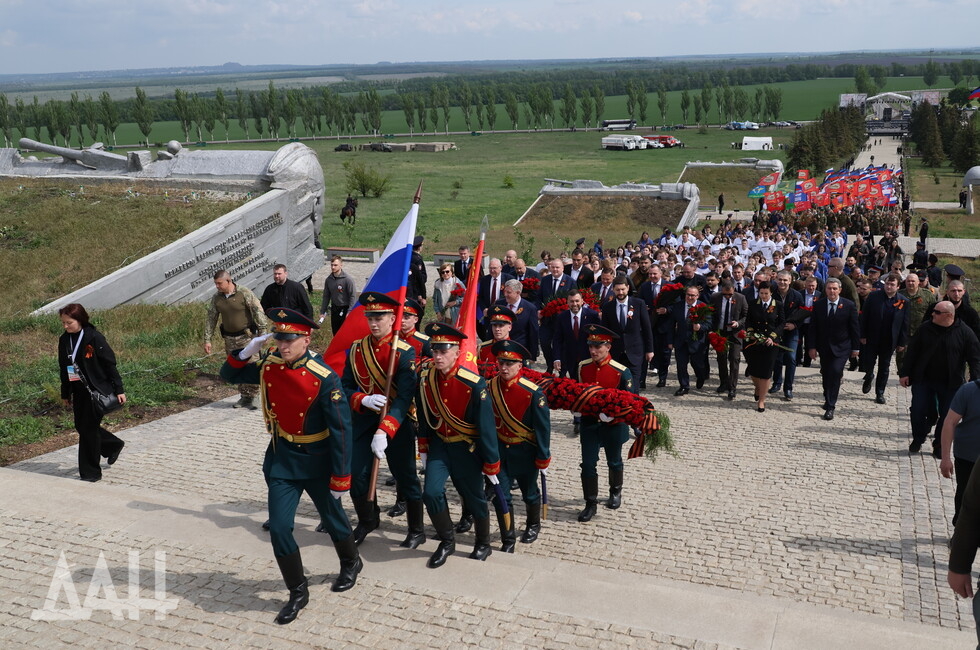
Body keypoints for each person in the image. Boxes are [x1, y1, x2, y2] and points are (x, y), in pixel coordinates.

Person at [220, 308, 361, 624]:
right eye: (279, 339)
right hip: (283, 458)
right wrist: (245, 352)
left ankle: (351, 561)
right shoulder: (270, 366)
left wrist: (341, 476)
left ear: (306, 340)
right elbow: (228, 375)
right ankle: (298, 590)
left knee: (333, 518)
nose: (283, 346)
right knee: (280, 528)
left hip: (318, 460)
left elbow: (341, 430)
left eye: (290, 340)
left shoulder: (324, 377)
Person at [416, 323, 500, 568]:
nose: (438, 357)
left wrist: (491, 463)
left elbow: (486, 428)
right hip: (440, 447)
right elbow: (424, 415)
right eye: (435, 351)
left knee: (474, 498)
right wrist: (423, 446)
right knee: (431, 493)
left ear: (457, 353)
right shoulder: (426, 379)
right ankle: (447, 540)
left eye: (444, 351)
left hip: (466, 448)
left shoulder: (474, 384)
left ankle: (483, 542)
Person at [340, 292, 421, 548]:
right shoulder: (357, 349)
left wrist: (384, 430)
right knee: (357, 475)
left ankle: (416, 529)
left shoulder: (404, 352)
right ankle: (368, 520)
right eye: (370, 318)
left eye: (379, 318)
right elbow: (345, 387)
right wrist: (362, 399)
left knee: (406, 476)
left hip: (396, 422)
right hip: (364, 420)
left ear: (392, 319)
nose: (374, 323)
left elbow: (405, 397)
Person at [487, 340, 551, 552]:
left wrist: (543, 456)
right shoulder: (490, 387)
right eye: (501, 363)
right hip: (500, 451)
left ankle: (533, 524)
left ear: (520, 366)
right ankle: (508, 538)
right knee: (501, 497)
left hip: (525, 452)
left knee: (529, 493)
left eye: (509, 364)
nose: (504, 368)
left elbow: (542, 429)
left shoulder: (533, 393)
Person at [901, 301, 980, 457]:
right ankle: (918, 437)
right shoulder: (925, 328)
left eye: (937, 312)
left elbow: (975, 358)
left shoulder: (965, 332)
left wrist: (975, 381)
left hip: (951, 383)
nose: (932, 314)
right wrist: (905, 373)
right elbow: (912, 352)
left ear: (949, 315)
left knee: (946, 416)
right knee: (917, 410)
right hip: (924, 379)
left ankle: (939, 444)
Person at [58, 303, 127, 483]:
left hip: (96, 389)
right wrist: (66, 393)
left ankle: (91, 472)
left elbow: (109, 364)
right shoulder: (64, 340)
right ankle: (113, 445)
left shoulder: (93, 337)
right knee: (81, 426)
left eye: (69, 322)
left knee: (88, 429)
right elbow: (64, 368)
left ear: (80, 320)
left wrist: (119, 389)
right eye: (63, 323)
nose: (65, 326)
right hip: (78, 390)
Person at [576, 325, 632, 523]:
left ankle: (615, 491)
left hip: (613, 425)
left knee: (614, 460)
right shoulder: (583, 367)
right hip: (590, 423)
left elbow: (631, 403)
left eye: (598, 346)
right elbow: (579, 392)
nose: (593, 351)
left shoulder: (621, 371)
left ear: (608, 346)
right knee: (587, 464)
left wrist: (614, 415)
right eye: (590, 346)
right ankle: (590, 502)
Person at [204, 269, 270, 410]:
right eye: (215, 283)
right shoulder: (217, 298)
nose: (217, 286)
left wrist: (263, 331)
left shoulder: (244, 293)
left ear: (228, 281)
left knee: (252, 365)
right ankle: (245, 396)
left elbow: (257, 311)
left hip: (247, 337)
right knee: (236, 366)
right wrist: (207, 339)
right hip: (229, 339)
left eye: (219, 283)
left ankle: (255, 396)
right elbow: (211, 318)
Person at [808, 277, 860, 421]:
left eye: (835, 289)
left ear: (840, 290)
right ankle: (827, 396)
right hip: (824, 347)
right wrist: (811, 347)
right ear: (825, 290)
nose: (832, 291)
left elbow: (854, 328)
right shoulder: (819, 305)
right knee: (826, 374)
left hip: (842, 347)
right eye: (829, 288)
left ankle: (831, 406)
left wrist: (856, 348)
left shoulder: (849, 305)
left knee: (836, 372)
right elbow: (813, 327)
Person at [859, 273, 910, 404]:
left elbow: (905, 324)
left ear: (898, 287)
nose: (889, 286)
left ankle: (880, 392)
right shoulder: (873, 296)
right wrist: (862, 335)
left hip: (889, 340)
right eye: (887, 284)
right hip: (872, 337)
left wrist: (902, 342)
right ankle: (869, 375)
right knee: (868, 363)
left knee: (884, 367)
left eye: (892, 284)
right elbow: (864, 317)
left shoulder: (903, 301)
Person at [601, 275, 653, 394]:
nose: (620, 292)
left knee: (633, 388)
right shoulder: (608, 307)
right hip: (616, 354)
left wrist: (650, 350)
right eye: (617, 290)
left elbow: (647, 328)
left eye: (623, 289)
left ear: (628, 288)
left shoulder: (639, 304)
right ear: (613, 289)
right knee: (618, 387)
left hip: (635, 353)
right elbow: (605, 331)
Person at [940, 379, 980, 526]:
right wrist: (945, 458)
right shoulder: (969, 390)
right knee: (965, 496)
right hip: (967, 456)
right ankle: (960, 529)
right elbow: (950, 422)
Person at [742, 282, 784, 412]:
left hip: (770, 342)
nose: (764, 296)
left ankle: (761, 400)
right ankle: (758, 387)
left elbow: (781, 323)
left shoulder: (777, 304)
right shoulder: (753, 303)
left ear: (771, 293)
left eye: (766, 293)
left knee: (766, 372)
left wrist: (772, 337)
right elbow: (748, 320)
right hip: (755, 341)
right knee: (753, 370)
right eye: (761, 293)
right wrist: (751, 333)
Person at [668, 285, 710, 396]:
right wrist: (670, 341)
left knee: (697, 364)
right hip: (681, 341)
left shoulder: (703, 307)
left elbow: (709, 324)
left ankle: (700, 376)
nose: (690, 297)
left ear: (697, 296)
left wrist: (700, 327)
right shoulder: (678, 306)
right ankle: (684, 386)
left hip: (697, 342)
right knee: (681, 365)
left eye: (692, 295)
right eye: (688, 295)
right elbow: (671, 325)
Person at [710, 280, 748, 401]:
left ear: (734, 290)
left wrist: (738, 323)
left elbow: (746, 315)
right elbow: (711, 314)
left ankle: (732, 387)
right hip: (721, 332)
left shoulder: (741, 298)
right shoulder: (715, 297)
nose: (727, 296)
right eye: (725, 294)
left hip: (735, 333)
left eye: (730, 294)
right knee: (721, 358)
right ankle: (724, 382)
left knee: (734, 358)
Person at [771, 270, 804, 400]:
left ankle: (788, 387)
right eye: (780, 279)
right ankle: (777, 382)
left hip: (791, 331)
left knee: (790, 358)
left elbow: (803, 313)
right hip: (776, 331)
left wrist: (794, 325)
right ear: (776, 280)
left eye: (785, 280)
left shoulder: (797, 296)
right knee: (777, 358)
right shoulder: (772, 293)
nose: (782, 282)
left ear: (790, 281)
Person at [496, 279, 540, 361]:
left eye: (509, 292)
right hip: (500, 349)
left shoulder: (530, 308)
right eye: (505, 291)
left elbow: (533, 333)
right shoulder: (499, 304)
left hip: (519, 351)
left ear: (518, 293)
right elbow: (492, 326)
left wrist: (532, 355)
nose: (505, 294)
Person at [320, 256, 357, 334]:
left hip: (345, 309)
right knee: (336, 332)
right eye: (332, 265)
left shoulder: (347, 279)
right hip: (335, 309)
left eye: (335, 265)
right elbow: (326, 296)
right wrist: (322, 311)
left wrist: (350, 311)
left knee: (345, 333)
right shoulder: (329, 280)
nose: (333, 267)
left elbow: (353, 296)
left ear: (341, 265)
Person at [407, 236, 428, 316]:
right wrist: (421, 295)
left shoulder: (409, 257)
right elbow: (420, 279)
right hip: (415, 293)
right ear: (419, 247)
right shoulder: (417, 259)